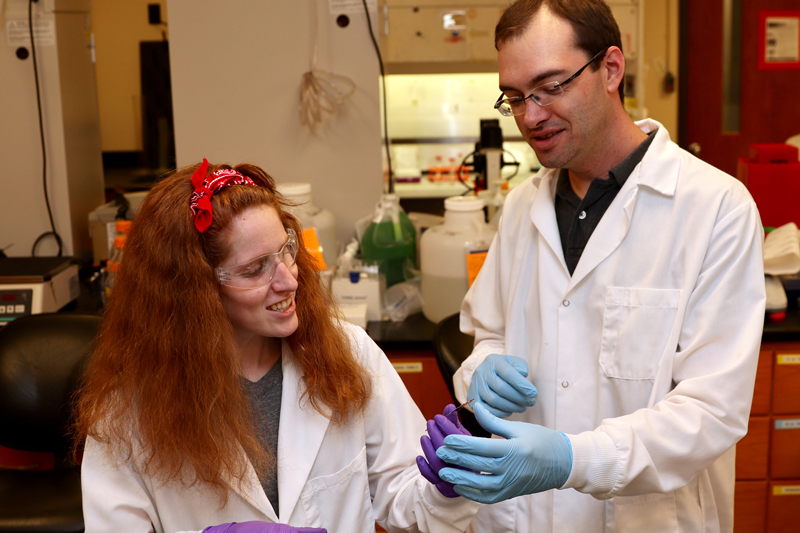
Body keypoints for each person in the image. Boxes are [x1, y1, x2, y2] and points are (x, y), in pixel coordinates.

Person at [430, 0, 767, 531]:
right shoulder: (522, 208)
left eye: (550, 87)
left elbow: (711, 413)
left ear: (611, 68)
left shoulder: (715, 208)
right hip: (522, 518)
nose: (530, 116)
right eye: (515, 98)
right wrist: (481, 371)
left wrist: (572, 459)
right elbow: (488, 335)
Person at [73, 160, 478, 533]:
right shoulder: (128, 409)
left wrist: (445, 487)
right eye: (254, 269)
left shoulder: (347, 353)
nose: (288, 281)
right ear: (192, 291)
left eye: (286, 250)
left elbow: (405, 501)